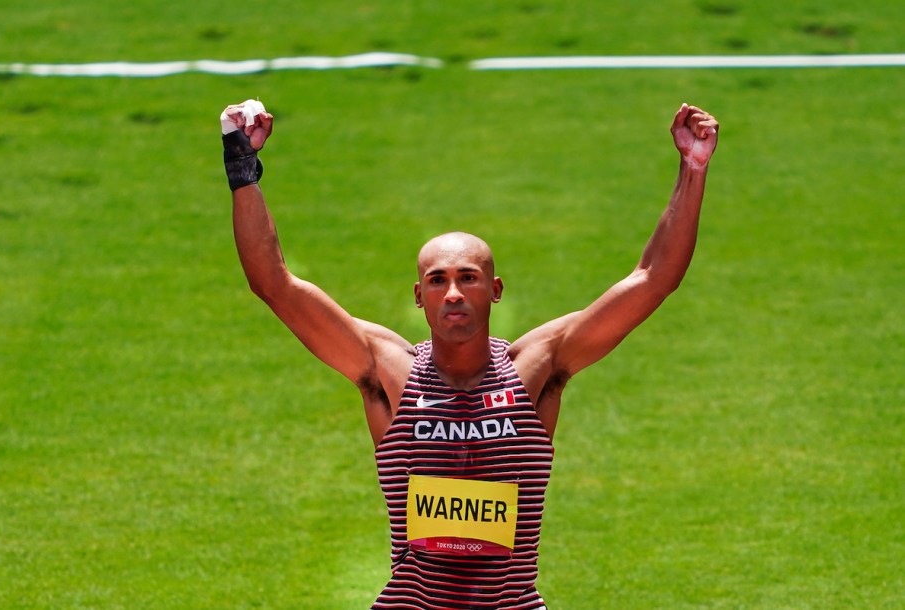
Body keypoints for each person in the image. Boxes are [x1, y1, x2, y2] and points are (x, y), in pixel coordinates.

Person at [220, 99, 719, 609]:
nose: (453, 292)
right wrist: (243, 167)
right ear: (420, 297)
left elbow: (654, 280)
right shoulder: (388, 372)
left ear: (494, 290)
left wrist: (693, 169)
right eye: (437, 281)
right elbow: (273, 284)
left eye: (468, 278)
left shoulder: (535, 369)